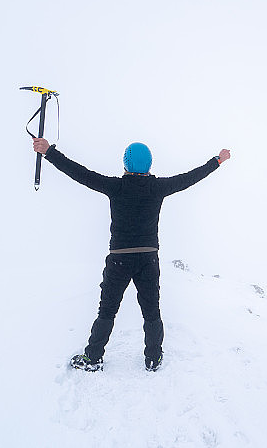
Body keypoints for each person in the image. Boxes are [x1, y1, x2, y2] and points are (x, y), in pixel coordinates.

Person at [32, 137, 231, 372]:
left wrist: (49, 153)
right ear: (149, 165)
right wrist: (217, 161)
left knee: (107, 310)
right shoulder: (158, 188)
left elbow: (80, 173)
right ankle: (153, 358)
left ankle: (93, 358)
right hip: (148, 259)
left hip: (119, 259)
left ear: (125, 164)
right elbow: (190, 178)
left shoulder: (116, 187)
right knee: (151, 310)